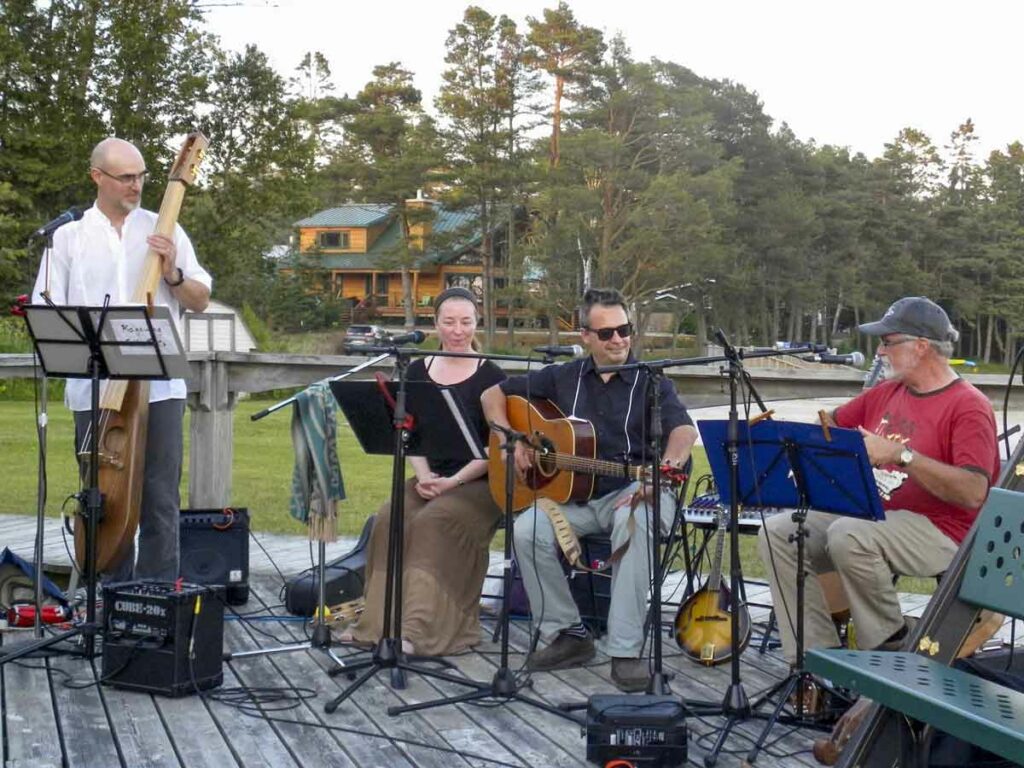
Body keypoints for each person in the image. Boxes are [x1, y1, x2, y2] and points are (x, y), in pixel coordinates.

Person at [758, 296, 999, 667]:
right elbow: (830, 427)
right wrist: (787, 438)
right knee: (779, 532)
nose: (879, 351)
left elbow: (974, 492)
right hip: (873, 515)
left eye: (887, 342)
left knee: (850, 534)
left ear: (921, 347)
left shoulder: (969, 405)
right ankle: (817, 661)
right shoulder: (888, 392)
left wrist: (901, 456)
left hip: (946, 532)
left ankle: (890, 654)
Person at [481, 287, 697, 692]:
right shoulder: (562, 377)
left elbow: (683, 430)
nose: (618, 339)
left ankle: (626, 652)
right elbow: (493, 392)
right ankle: (568, 635)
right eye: (606, 333)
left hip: (637, 491)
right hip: (576, 497)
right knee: (527, 531)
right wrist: (510, 436)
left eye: (624, 330)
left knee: (635, 527)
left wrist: (664, 469)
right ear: (585, 336)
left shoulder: (652, 383)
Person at [31, 137, 212, 583]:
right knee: (102, 499)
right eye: (126, 177)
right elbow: (46, 308)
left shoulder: (164, 228)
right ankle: (107, 604)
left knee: (159, 500)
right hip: (93, 387)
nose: (136, 185)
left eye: (142, 176)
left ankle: (154, 604)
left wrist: (172, 272)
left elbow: (201, 298)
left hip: (160, 390)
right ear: (98, 176)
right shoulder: (67, 237)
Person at [345, 287, 506, 656]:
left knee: (435, 522)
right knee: (390, 517)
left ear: (477, 324)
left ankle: (418, 631)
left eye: (466, 322)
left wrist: (452, 481)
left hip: (477, 482)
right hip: (429, 476)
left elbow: (495, 447)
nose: (457, 330)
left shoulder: (492, 375)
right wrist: (426, 475)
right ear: (435, 324)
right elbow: (408, 434)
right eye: (449, 322)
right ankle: (375, 626)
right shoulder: (417, 369)